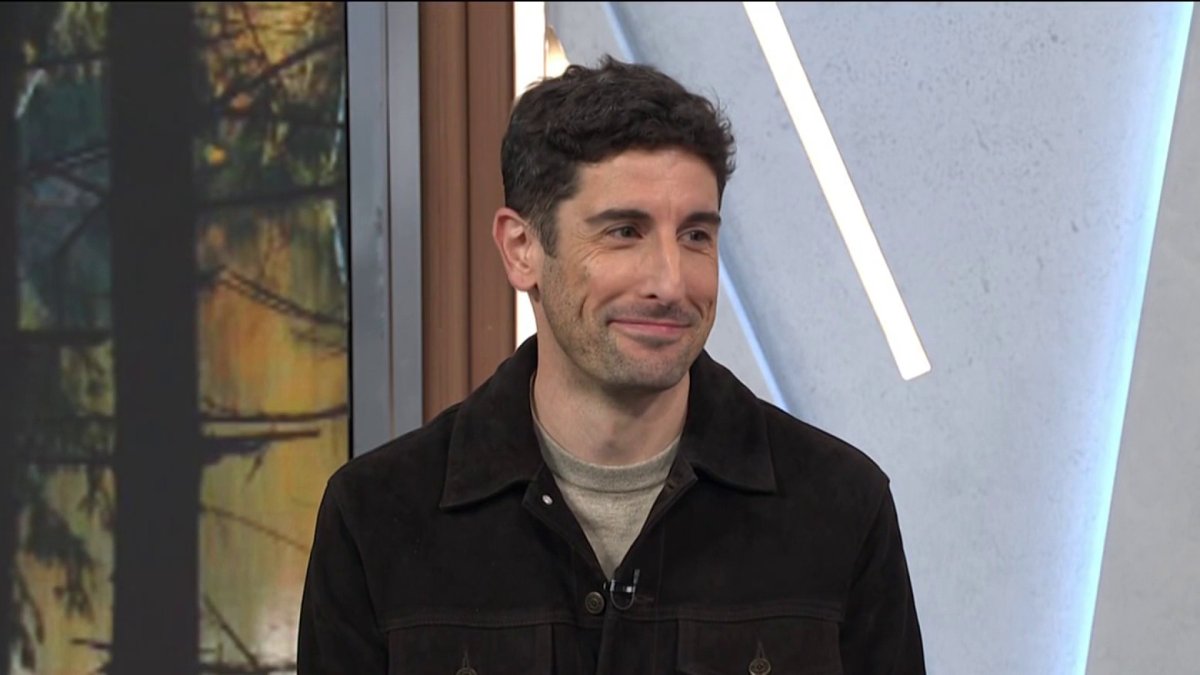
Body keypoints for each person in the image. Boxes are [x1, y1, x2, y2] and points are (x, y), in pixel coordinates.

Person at [298, 56, 925, 674]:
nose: (671, 283)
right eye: (624, 231)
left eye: (696, 235)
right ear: (522, 249)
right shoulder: (375, 519)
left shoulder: (842, 508)